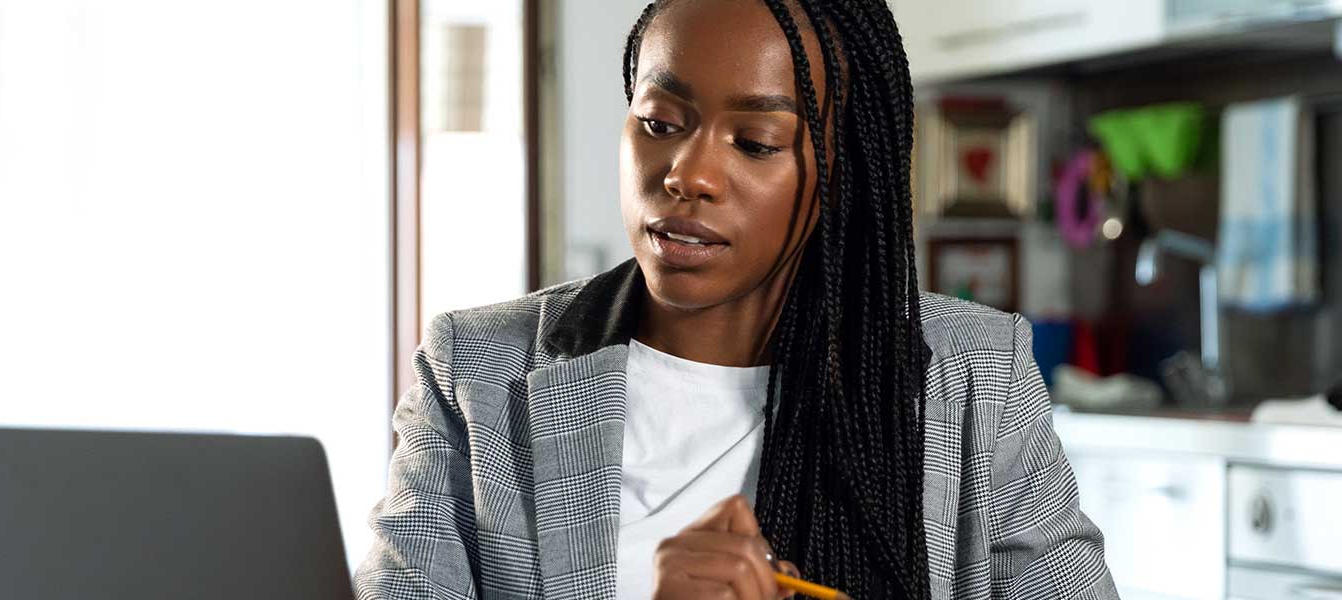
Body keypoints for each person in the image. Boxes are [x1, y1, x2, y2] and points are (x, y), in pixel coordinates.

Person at [355, 1, 1118, 598]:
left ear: (840, 171)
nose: (687, 173)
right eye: (658, 123)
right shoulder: (475, 371)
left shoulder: (975, 378)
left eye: (754, 142)